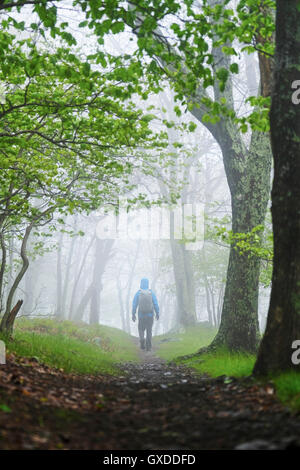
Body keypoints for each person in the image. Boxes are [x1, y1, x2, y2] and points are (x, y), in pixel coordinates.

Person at [132, 278, 159, 351]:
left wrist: (133, 314)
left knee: (141, 329)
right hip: (150, 315)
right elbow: (155, 303)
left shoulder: (138, 293)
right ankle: (148, 346)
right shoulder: (151, 293)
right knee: (149, 330)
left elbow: (134, 304)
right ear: (148, 283)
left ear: (141, 283)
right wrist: (157, 313)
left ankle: (142, 340)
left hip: (141, 315)